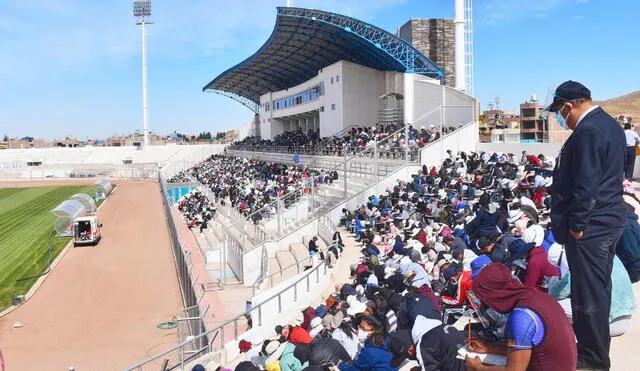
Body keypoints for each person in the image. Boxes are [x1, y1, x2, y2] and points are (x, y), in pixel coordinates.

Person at [546, 80, 627, 370]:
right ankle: (595, 349)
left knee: (588, 295)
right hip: (608, 220)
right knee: (598, 290)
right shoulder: (610, 125)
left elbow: (586, 184)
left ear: (569, 105)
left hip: (592, 226)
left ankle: (593, 360)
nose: (559, 117)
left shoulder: (589, 131)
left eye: (559, 110)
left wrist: (577, 225)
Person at [465, 264, 577, 371]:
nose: (486, 305)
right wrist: (489, 348)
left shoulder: (521, 317)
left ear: (494, 294)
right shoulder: (538, 296)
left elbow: (514, 369)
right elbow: (528, 349)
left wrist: (479, 368)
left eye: (485, 300)